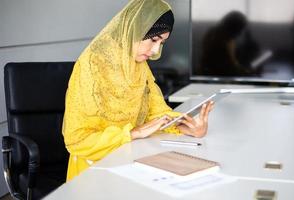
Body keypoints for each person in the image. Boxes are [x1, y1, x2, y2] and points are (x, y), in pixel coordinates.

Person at [62, 0, 214, 181]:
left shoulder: (138, 64)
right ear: (135, 30)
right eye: (154, 40)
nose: (156, 50)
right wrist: (133, 133)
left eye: (162, 42)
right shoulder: (92, 64)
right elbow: (77, 140)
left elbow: (156, 113)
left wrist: (186, 128)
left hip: (130, 158)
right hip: (94, 168)